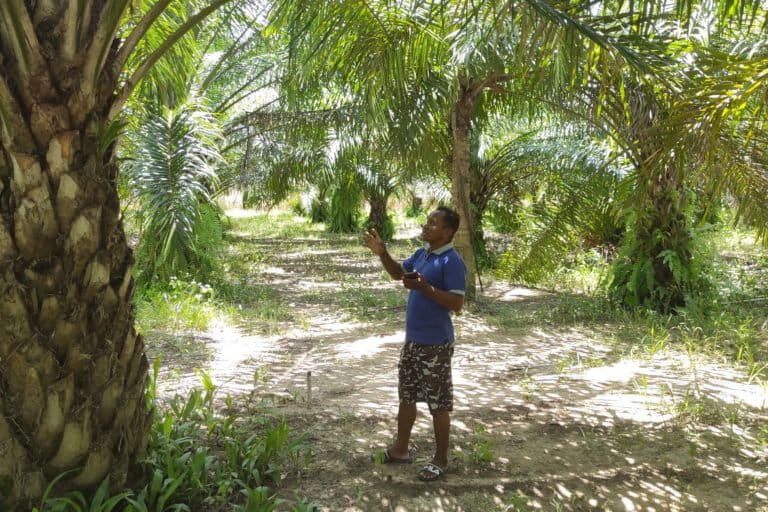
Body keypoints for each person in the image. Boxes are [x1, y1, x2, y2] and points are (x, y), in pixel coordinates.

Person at [363, 206, 466, 481]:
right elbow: (398, 273)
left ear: (447, 232)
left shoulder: (451, 261)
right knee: (407, 396)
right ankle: (400, 450)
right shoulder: (423, 255)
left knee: (438, 403)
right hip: (413, 341)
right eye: (427, 221)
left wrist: (424, 288)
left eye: (433, 223)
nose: (426, 226)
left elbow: (457, 303)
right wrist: (382, 253)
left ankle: (441, 459)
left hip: (436, 344)